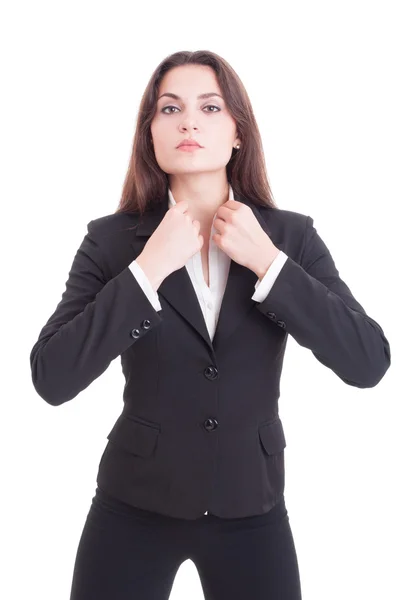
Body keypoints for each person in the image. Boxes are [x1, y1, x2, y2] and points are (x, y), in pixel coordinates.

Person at [29, 50, 391, 600]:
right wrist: (147, 269)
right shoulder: (110, 242)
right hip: (135, 502)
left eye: (210, 106)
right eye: (169, 108)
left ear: (238, 131)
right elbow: (52, 377)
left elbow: (368, 362)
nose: (189, 121)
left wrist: (269, 265)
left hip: (253, 504)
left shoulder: (289, 238)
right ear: (149, 132)